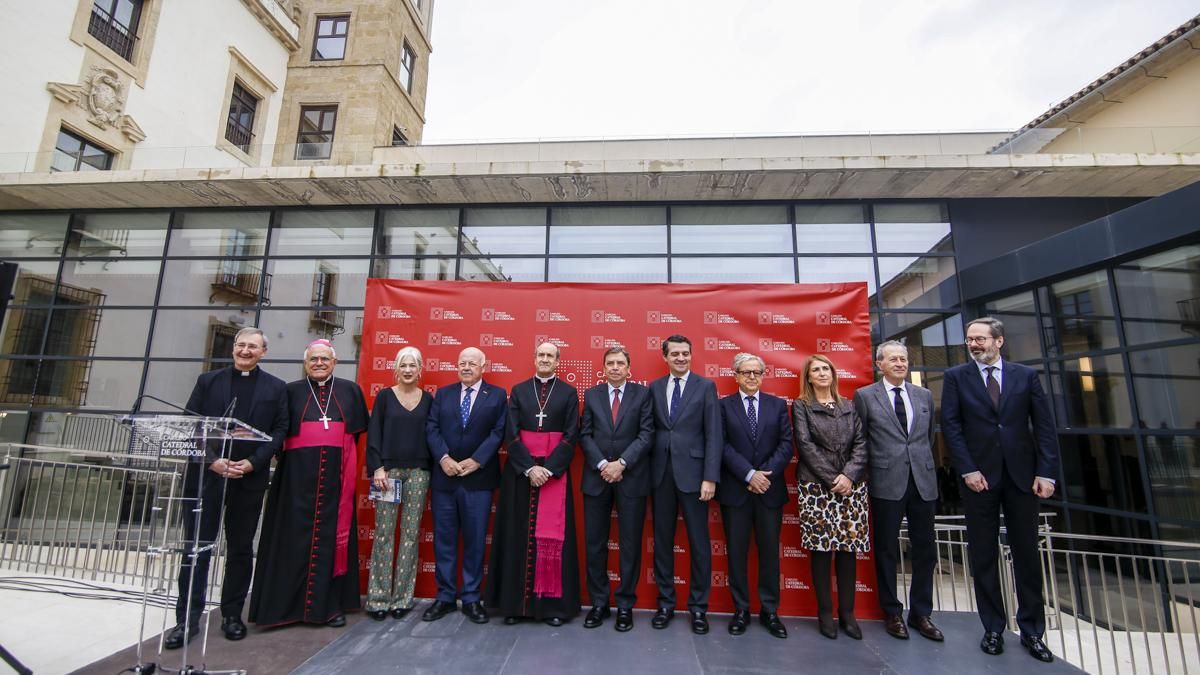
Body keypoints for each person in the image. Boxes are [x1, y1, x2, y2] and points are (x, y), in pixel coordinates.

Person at [941, 317, 1060, 663]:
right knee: (983, 555)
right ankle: (993, 627)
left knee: (1026, 554)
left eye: (980, 338)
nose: (974, 344)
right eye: (969, 340)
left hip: (1023, 478)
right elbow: (951, 425)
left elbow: (1045, 427)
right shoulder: (955, 377)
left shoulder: (1025, 376)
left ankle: (1032, 631)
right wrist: (967, 469)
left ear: (999, 341)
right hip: (979, 479)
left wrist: (1046, 473)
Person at [164, 327, 288, 649]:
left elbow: (279, 430)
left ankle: (232, 615)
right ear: (233, 348)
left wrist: (253, 463)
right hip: (207, 477)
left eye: (253, 347)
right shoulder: (209, 381)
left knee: (241, 549)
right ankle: (186, 620)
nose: (246, 351)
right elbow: (190, 423)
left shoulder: (276, 388)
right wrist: (212, 461)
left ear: (264, 352)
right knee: (197, 549)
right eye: (241, 345)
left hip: (248, 479)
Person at [248, 339, 368, 628]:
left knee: (329, 540)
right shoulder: (290, 392)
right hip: (295, 481)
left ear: (334, 363)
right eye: (313, 359)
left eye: (324, 359)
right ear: (305, 363)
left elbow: (358, 434)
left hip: (334, 483)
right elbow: (278, 432)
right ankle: (284, 609)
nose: (319, 363)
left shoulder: (350, 390)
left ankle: (329, 607)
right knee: (290, 541)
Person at [853, 341, 943, 642]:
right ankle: (891, 612)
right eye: (893, 359)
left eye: (904, 359)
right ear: (880, 364)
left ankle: (921, 613)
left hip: (922, 482)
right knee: (887, 550)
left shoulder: (924, 395)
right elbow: (861, 439)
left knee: (925, 551)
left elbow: (927, 438)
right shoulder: (865, 396)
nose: (900, 364)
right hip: (885, 483)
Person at [486, 342, 581, 626]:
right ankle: (515, 606)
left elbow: (571, 435)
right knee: (517, 536)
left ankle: (551, 608)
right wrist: (529, 468)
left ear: (558, 361)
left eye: (550, 356)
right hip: (521, 475)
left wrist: (548, 469)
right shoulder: (519, 390)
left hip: (554, 475)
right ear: (534, 358)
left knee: (552, 539)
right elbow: (510, 433)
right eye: (540, 354)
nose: (545, 359)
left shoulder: (568, 392)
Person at [423, 346, 508, 624]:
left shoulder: (496, 396)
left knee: (474, 541)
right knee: (444, 541)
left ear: (484, 366)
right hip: (444, 478)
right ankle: (445, 597)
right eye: (462, 363)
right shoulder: (444, 394)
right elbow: (432, 428)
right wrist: (444, 458)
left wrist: (477, 460)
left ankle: (471, 598)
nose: (466, 367)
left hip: (478, 480)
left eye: (472, 363)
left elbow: (499, 432)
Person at [649, 334, 722, 634]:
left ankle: (698, 608)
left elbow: (714, 434)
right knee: (662, 542)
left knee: (699, 543)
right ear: (664, 357)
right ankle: (666, 603)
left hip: (695, 476)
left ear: (692, 356)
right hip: (660, 474)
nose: (680, 358)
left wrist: (710, 477)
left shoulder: (705, 387)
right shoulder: (653, 388)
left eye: (685, 353)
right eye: (675, 354)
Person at [716, 353, 793, 639]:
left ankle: (770, 611)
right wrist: (749, 474)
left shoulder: (777, 405)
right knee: (736, 553)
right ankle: (741, 610)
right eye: (746, 372)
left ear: (763, 375)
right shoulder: (723, 407)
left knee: (769, 553)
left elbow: (786, 444)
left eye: (756, 372)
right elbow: (721, 445)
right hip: (737, 490)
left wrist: (764, 475)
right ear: (735, 375)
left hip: (769, 491)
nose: (751, 377)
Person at [793, 353, 869, 641]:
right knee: (822, 552)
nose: (823, 373)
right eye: (817, 370)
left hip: (852, 487)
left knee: (848, 552)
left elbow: (861, 443)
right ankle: (825, 613)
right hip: (816, 487)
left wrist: (848, 475)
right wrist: (832, 478)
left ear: (833, 374)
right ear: (809, 377)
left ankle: (847, 614)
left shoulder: (849, 405)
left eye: (827, 369)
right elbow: (805, 445)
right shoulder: (802, 406)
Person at [579, 347, 654, 632]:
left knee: (630, 544)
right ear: (603, 367)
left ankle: (625, 605)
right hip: (597, 478)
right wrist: (602, 464)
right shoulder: (592, 395)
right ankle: (599, 603)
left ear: (628, 368)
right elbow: (584, 434)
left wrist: (621, 463)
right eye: (609, 363)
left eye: (620, 363)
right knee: (595, 544)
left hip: (630, 477)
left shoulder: (642, 394)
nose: (614, 367)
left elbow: (647, 434)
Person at [364, 346, 433, 621]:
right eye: (403, 365)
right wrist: (377, 468)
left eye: (412, 365)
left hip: (419, 472)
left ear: (420, 370)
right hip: (388, 473)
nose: (407, 370)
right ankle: (378, 598)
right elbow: (374, 435)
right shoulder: (384, 397)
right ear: (396, 368)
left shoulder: (428, 400)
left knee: (410, 534)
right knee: (383, 533)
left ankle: (402, 598)